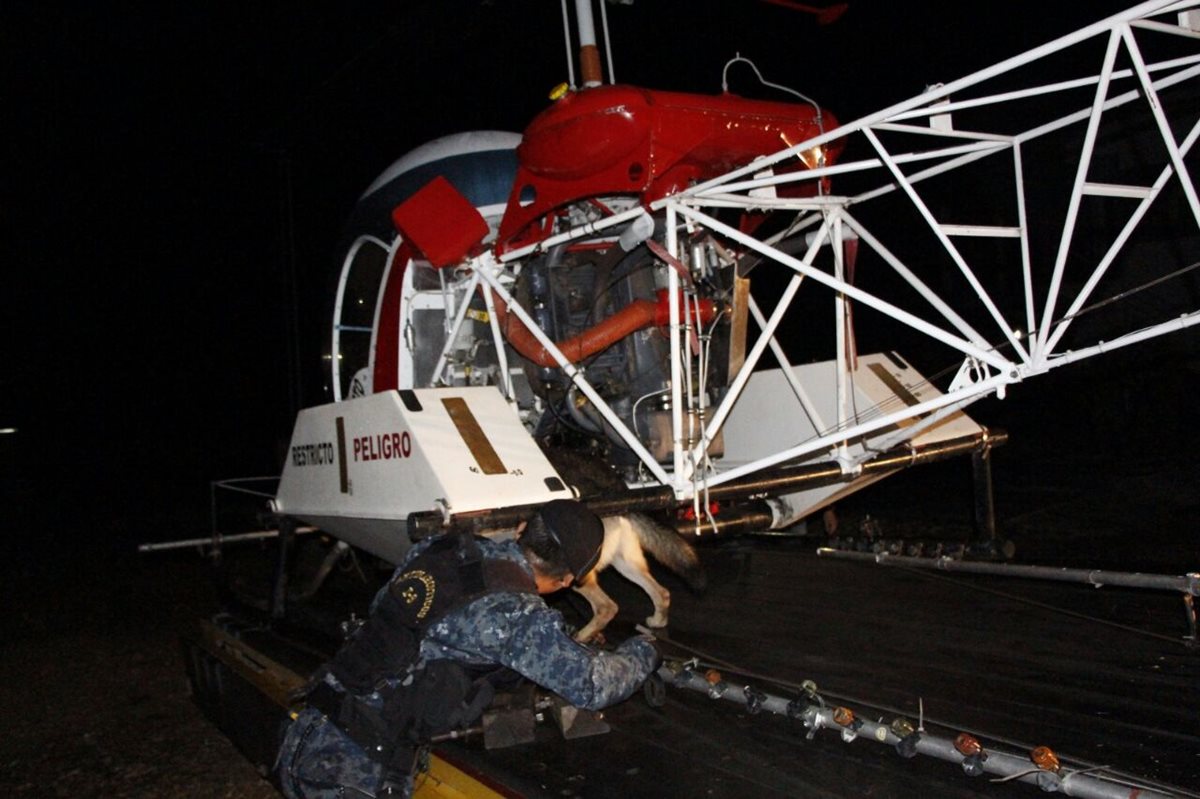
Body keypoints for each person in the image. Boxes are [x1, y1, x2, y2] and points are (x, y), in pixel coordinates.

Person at [276, 499, 660, 798]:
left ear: (522, 528)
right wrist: (644, 650)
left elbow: (412, 616)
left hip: (311, 727)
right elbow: (593, 686)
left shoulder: (442, 548)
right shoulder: (516, 615)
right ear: (566, 581)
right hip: (352, 770)